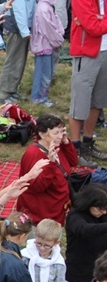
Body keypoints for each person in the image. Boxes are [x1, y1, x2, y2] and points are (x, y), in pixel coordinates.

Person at [17, 114, 78, 225]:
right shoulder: (33, 154)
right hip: (41, 214)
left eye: (62, 132)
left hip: (56, 207)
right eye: (56, 133)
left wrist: (66, 142)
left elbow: (73, 162)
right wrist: (51, 164)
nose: (60, 136)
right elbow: (37, 187)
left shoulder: (56, 145)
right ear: (42, 134)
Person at [67, 0, 107, 167]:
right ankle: (75, 149)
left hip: (104, 52)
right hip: (87, 53)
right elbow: (93, 27)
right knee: (80, 102)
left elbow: (97, 25)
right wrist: (98, 21)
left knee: (97, 102)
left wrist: (101, 19)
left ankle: (87, 143)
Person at [0, 0, 35, 104]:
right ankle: (4, 94)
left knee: (19, 61)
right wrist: (24, 31)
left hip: (22, 28)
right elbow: (19, 10)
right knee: (13, 61)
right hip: (16, 29)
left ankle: (12, 90)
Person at [29, 0, 64, 107]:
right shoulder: (43, 9)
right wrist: (58, 40)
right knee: (42, 75)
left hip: (48, 45)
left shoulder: (48, 6)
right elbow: (48, 30)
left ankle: (43, 97)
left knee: (47, 74)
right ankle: (38, 99)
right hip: (44, 46)